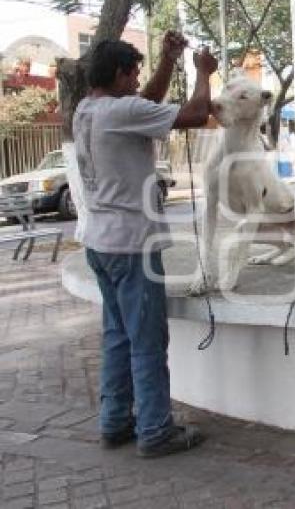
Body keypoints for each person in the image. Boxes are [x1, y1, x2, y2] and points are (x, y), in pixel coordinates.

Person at [73, 31, 217, 458]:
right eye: (133, 74)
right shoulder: (122, 110)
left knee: (118, 335)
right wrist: (203, 74)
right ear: (119, 75)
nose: (138, 81)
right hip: (132, 245)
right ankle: (156, 429)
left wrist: (168, 61)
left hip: (100, 243)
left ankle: (115, 421)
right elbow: (194, 114)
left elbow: (144, 105)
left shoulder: (88, 109)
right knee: (147, 340)